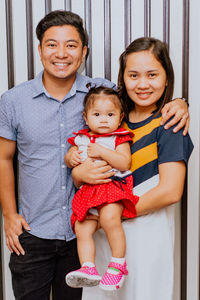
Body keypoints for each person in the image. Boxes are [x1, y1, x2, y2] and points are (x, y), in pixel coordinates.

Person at [0, 9, 189, 300]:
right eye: (52, 44)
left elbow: (143, 96)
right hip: (42, 231)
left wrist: (180, 102)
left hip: (87, 232)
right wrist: (9, 214)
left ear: (84, 51)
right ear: (39, 50)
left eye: (71, 45)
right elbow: (4, 159)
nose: (61, 53)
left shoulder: (103, 96)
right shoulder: (14, 101)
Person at [71, 37, 194, 300]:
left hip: (145, 233)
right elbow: (84, 165)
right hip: (104, 234)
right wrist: (78, 174)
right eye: (133, 75)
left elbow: (170, 191)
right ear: (122, 79)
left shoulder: (169, 124)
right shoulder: (112, 119)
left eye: (152, 75)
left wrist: (113, 213)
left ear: (167, 78)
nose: (142, 84)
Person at [65, 86, 139, 291]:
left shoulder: (119, 137)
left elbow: (124, 163)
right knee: (82, 228)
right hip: (89, 194)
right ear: (86, 117)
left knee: (109, 219)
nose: (104, 119)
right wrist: (71, 158)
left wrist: (102, 151)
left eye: (110, 114)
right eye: (97, 114)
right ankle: (88, 267)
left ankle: (117, 263)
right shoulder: (80, 138)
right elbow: (70, 157)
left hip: (112, 188)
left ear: (120, 117)